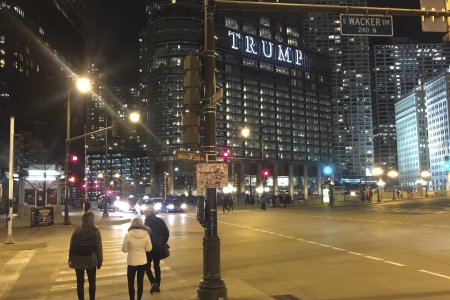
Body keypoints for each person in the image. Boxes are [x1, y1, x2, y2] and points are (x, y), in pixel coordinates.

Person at [68, 212, 103, 300]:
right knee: (92, 282)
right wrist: (100, 261)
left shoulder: (77, 230)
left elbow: (71, 246)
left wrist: (70, 259)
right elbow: (98, 248)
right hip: (90, 260)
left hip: (78, 260)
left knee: (80, 282)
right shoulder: (95, 231)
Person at [122, 218, 152, 300]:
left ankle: (132, 298)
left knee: (130, 283)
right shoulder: (146, 234)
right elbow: (149, 249)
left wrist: (130, 249)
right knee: (140, 282)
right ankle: (139, 298)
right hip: (142, 262)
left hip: (131, 262)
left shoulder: (128, 235)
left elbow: (124, 250)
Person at [144, 207, 170, 294]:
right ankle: (157, 286)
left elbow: (145, 235)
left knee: (147, 266)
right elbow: (166, 233)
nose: (145, 213)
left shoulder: (147, 221)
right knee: (157, 266)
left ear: (150, 213)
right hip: (158, 247)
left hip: (149, 247)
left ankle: (153, 282)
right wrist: (163, 242)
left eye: (146, 212)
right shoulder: (160, 220)